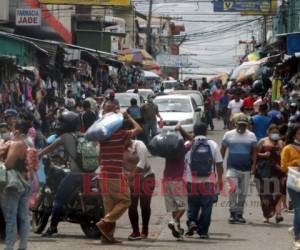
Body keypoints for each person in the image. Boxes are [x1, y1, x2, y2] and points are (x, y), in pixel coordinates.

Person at [96, 112, 143, 244]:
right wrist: (129, 117)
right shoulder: (121, 135)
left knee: (109, 207)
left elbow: (99, 156)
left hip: (103, 174)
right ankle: (105, 222)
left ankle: (107, 237)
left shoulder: (103, 137)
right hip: (114, 175)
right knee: (126, 200)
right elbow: (139, 129)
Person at [39, 111, 83, 237]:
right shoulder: (83, 135)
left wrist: (34, 155)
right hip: (90, 174)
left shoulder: (65, 137)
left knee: (58, 199)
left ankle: (53, 227)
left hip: (75, 175)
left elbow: (47, 150)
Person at [185, 122, 223, 239]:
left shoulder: (188, 144)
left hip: (191, 180)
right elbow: (219, 163)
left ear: (194, 132)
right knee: (207, 206)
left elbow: (183, 163)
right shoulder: (212, 144)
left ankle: (192, 222)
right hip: (208, 181)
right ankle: (203, 231)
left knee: (192, 203)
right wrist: (219, 179)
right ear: (206, 131)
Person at [1, 115, 33, 250]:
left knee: (10, 217)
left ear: (18, 130)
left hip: (13, 184)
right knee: (23, 217)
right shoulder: (29, 143)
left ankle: (9, 247)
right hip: (25, 182)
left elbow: (9, 164)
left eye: (13, 128)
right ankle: (23, 246)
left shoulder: (16, 143)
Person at [221, 115, 257, 224]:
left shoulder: (251, 136)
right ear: (236, 124)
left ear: (247, 125)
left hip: (246, 168)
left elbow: (254, 152)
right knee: (233, 189)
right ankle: (232, 213)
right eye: (240, 124)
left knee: (243, 193)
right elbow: (222, 150)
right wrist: (218, 165)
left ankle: (239, 213)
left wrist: (253, 166)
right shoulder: (228, 135)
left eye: (244, 125)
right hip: (232, 167)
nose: (241, 127)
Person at [163, 124, 193, 241]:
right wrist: (181, 129)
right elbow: (192, 140)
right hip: (177, 181)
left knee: (174, 207)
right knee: (184, 205)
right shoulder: (182, 149)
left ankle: (177, 231)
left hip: (166, 180)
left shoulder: (167, 150)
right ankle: (174, 221)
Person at [255, 124, 285, 223]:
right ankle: (267, 215)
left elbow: (285, 156)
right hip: (264, 171)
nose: (275, 134)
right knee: (265, 194)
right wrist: (263, 154)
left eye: (277, 132)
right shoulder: (262, 141)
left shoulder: (281, 143)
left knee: (278, 192)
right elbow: (255, 154)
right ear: (268, 132)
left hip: (278, 171)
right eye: (273, 132)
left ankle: (278, 214)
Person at [126, 139, 155, 240]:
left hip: (147, 177)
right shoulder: (118, 148)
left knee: (145, 205)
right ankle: (135, 231)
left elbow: (142, 163)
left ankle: (145, 229)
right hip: (131, 180)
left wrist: (131, 175)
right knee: (131, 205)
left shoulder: (139, 144)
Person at [281, 125, 300, 250]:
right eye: (299, 133)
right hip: (295, 182)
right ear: (294, 135)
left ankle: (295, 228)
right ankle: (297, 238)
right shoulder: (288, 148)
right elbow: (283, 166)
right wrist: (295, 163)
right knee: (299, 210)